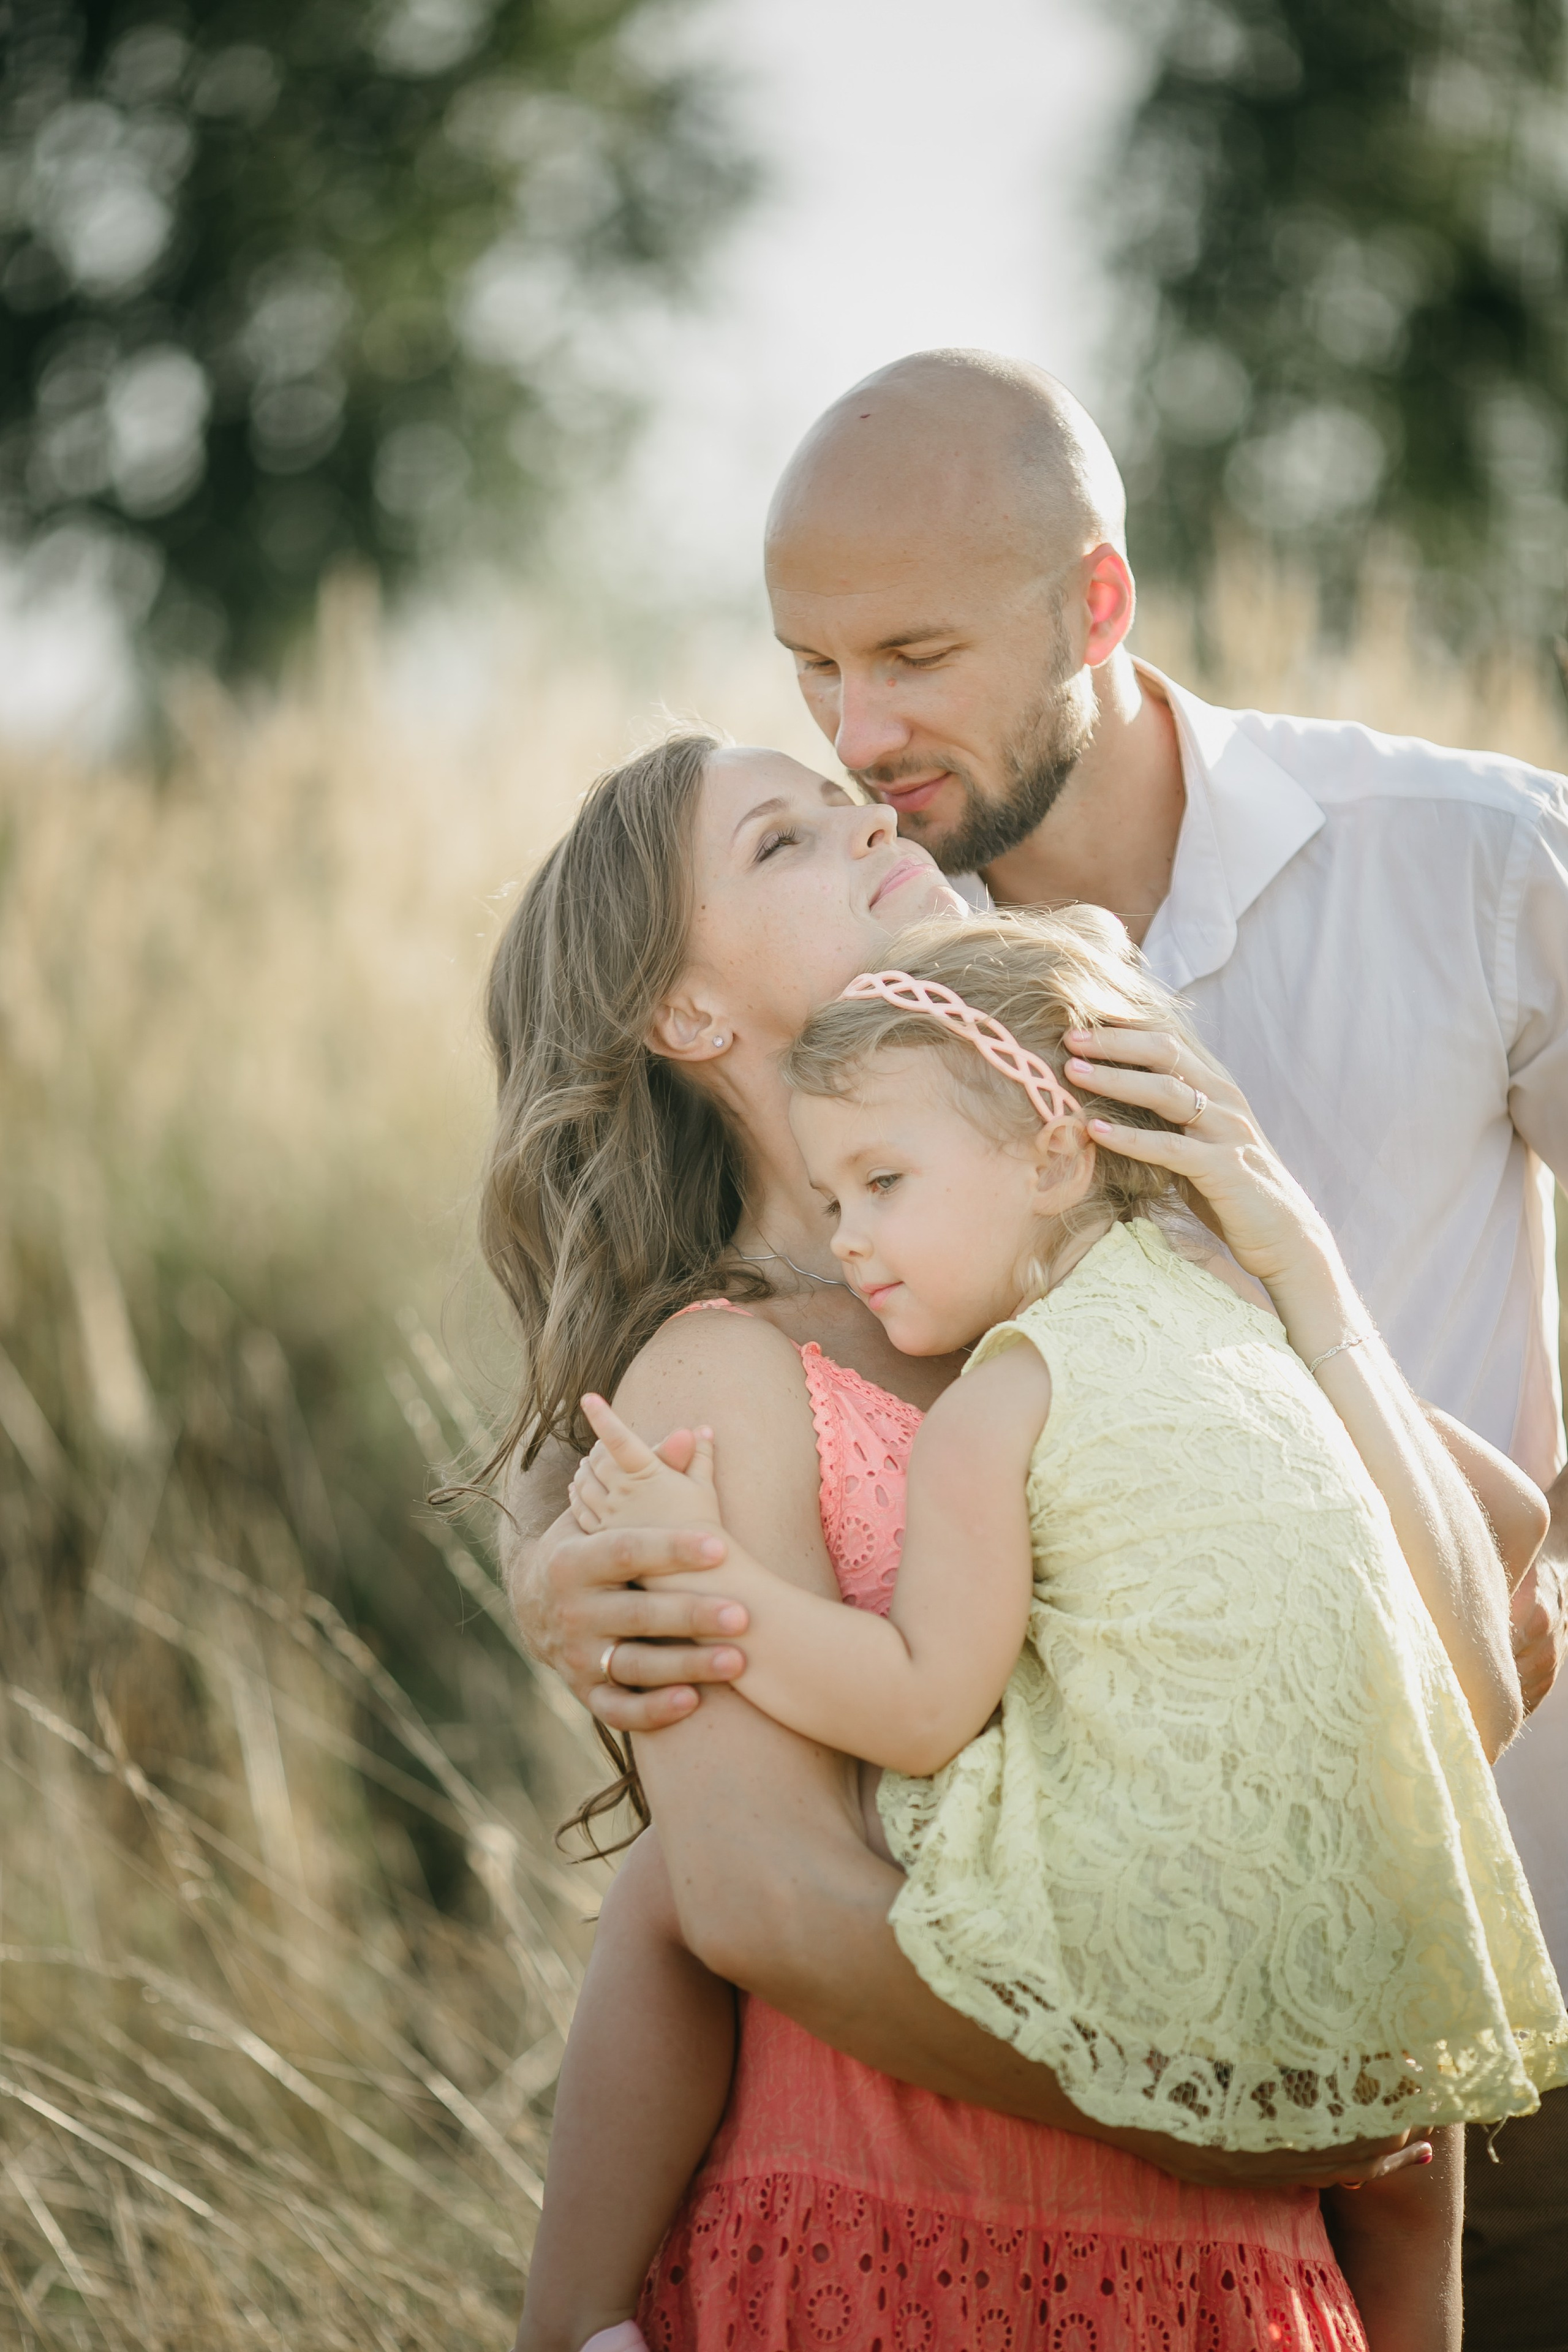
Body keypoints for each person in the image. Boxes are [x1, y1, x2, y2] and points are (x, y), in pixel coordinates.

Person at [516, 351, 1568, 2346]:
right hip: (1027, 2128)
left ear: (1096, 603)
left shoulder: (1469, 866)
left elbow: (1497, 1558)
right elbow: (753, 1788)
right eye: (814, 675)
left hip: (1463, 1904)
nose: (865, 739)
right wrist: (568, 1568)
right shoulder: (910, 987)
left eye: (910, 654)